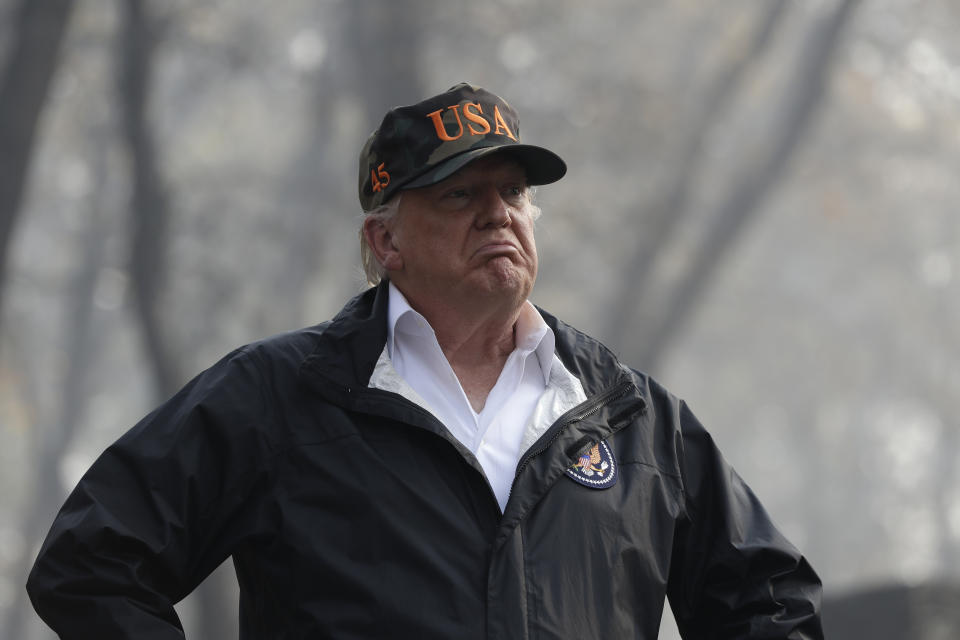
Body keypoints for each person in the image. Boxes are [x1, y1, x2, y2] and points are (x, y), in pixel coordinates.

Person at [27, 83, 823, 639]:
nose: (497, 216)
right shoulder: (280, 397)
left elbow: (770, 601)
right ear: (385, 241)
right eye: (457, 196)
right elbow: (91, 563)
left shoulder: (630, 415)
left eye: (512, 193)